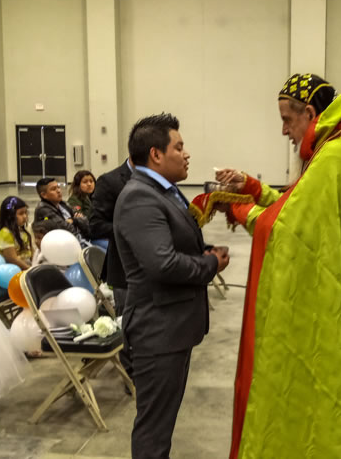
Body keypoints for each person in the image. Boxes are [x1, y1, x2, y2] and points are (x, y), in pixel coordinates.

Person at [215, 74, 341, 458]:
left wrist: (239, 208)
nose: (284, 131)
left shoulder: (335, 156)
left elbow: (287, 228)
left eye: (287, 120)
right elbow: (297, 204)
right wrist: (252, 187)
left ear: (310, 113)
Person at [114, 113, 230, 459]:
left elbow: (172, 244)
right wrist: (210, 265)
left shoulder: (162, 191)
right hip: (157, 331)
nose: (186, 154)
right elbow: (161, 264)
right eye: (178, 147)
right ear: (156, 154)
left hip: (172, 328)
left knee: (161, 426)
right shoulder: (139, 197)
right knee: (154, 431)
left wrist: (203, 251)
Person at [90, 155, 133, 378]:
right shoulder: (110, 181)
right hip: (124, 267)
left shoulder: (159, 177)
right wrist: (130, 228)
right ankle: (130, 374)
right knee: (128, 321)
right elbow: (96, 225)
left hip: (155, 266)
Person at [0, 196, 33, 270]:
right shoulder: (5, 233)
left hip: (26, 267)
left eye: (26, 212)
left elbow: (31, 252)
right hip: (13, 270)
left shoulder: (24, 231)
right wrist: (30, 269)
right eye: (21, 213)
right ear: (10, 216)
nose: (25, 216)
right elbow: (12, 259)